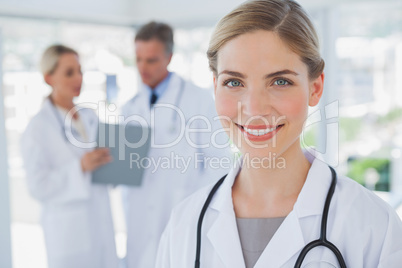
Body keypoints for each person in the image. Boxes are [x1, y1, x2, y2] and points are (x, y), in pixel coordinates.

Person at [155, 1, 402, 267]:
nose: (254, 108)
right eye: (234, 82)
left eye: (280, 81)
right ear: (216, 88)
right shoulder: (185, 224)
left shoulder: (373, 226)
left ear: (315, 87)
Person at [120, 22, 232, 268]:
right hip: (139, 216)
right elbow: (126, 171)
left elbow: (219, 161)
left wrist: (192, 202)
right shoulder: (129, 107)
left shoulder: (198, 100)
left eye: (151, 60)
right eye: (138, 59)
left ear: (169, 57)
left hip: (183, 209)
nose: (142, 67)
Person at [21, 45, 118, 268]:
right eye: (69, 72)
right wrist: (80, 167)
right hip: (69, 235)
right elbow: (37, 186)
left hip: (100, 223)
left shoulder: (89, 115)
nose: (78, 78)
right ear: (48, 78)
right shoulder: (38, 128)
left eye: (80, 71)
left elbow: (101, 162)